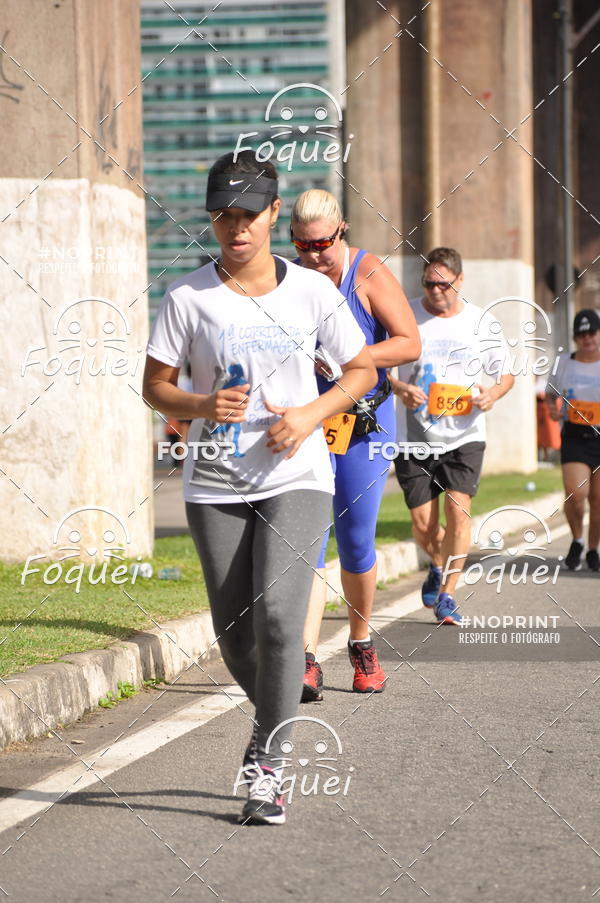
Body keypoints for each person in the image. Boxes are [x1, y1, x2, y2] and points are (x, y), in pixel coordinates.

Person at [143, 151, 376, 826]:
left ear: (274, 212)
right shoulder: (188, 297)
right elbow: (154, 385)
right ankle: (270, 717)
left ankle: (269, 763)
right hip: (214, 481)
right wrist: (200, 404)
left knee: (278, 620)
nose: (235, 227)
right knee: (236, 636)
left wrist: (309, 415)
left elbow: (361, 370)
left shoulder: (311, 292)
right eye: (222, 215)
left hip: (297, 474)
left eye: (247, 214)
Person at [290, 189, 420, 699]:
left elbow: (409, 342)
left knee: (356, 540)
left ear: (341, 231)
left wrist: (353, 358)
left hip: (364, 423)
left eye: (322, 244)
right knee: (306, 540)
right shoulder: (289, 277)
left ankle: (362, 644)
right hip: (309, 422)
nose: (313, 256)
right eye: (302, 245)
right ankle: (304, 659)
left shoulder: (366, 273)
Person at [389, 247, 515, 623]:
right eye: (429, 283)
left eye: (443, 284)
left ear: (460, 281)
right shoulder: (405, 313)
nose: (435, 291)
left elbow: (505, 374)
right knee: (424, 525)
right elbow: (378, 367)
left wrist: (493, 394)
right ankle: (436, 563)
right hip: (414, 436)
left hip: (465, 434)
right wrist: (400, 388)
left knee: (459, 513)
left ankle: (448, 594)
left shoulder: (481, 322)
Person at [545, 308, 600, 571]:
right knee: (577, 494)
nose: (587, 339)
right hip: (575, 435)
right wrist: (552, 408)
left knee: (598, 500)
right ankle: (577, 539)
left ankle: (593, 549)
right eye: (582, 335)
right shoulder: (563, 362)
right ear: (575, 338)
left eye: (592, 333)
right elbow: (549, 394)